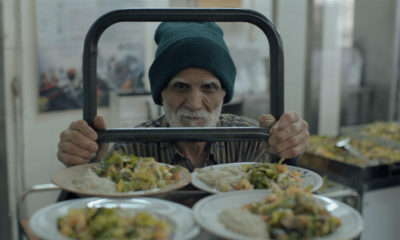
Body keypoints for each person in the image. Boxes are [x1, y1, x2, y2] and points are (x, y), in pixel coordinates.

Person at [57, 22, 309, 171]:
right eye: (180, 87)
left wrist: (289, 146)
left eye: (209, 87)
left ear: (224, 93)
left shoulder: (253, 141)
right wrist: (88, 163)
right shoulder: (131, 148)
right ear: (161, 93)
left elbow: (287, 195)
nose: (194, 104)